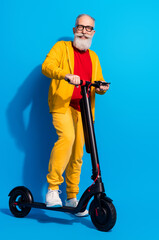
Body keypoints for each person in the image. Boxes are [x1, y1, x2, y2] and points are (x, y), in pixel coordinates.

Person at [41, 14, 109, 217]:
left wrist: (102, 87)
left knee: (78, 152)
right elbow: (47, 67)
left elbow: (98, 81)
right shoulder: (61, 48)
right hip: (63, 105)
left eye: (88, 28)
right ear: (74, 29)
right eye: (80, 27)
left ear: (93, 32)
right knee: (67, 139)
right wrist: (65, 75)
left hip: (84, 109)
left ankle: (72, 196)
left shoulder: (94, 57)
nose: (84, 31)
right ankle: (53, 190)